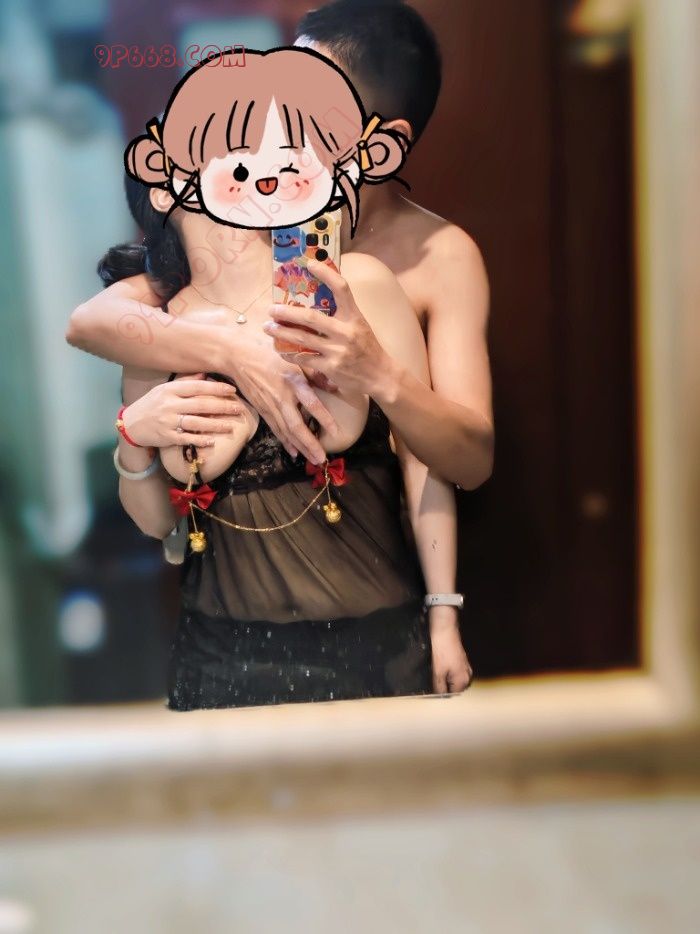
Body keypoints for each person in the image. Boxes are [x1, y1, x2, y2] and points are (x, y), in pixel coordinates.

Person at [66, 1, 491, 691]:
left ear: (379, 140)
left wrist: (378, 373)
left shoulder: (421, 262)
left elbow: (460, 458)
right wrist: (208, 374)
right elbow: (91, 322)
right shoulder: (217, 259)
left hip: (375, 606)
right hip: (222, 640)